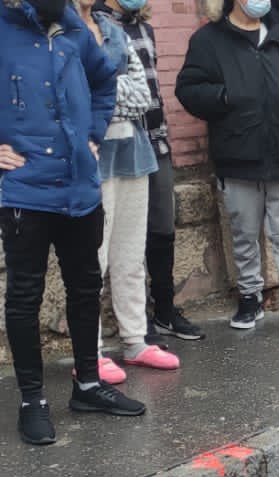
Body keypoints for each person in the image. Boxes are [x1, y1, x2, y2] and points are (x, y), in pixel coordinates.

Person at [0, 0, 146, 446]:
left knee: (85, 285)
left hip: (80, 189)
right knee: (25, 295)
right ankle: (32, 400)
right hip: (24, 194)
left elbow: (103, 78)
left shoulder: (69, 22)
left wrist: (94, 135)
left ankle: (89, 385)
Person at [175, 0, 279, 336]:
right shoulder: (209, 40)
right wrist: (226, 97)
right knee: (244, 234)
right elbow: (188, 89)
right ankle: (249, 297)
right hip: (237, 154)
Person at [78, 0, 177, 380]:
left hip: (133, 151)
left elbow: (142, 95)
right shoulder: (61, 31)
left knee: (130, 254)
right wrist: (108, 92)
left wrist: (104, 90)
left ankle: (135, 340)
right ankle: (91, 353)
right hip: (92, 158)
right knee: (92, 260)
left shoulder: (113, 29)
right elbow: (74, 95)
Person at [96, 0, 202, 342]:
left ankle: (165, 312)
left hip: (155, 143)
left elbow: (148, 94)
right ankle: (132, 323)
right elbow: (109, 93)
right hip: (114, 147)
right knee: (118, 242)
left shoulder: (145, 28)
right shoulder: (98, 29)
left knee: (162, 229)